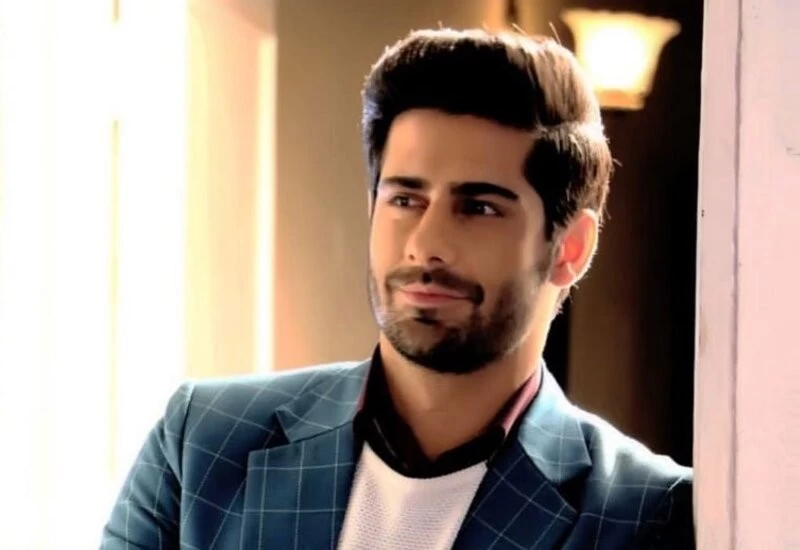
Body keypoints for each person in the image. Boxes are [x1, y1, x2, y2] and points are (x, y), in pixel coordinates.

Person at [102, 28, 694, 549]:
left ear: (570, 248)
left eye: (480, 207)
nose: (425, 244)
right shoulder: (202, 445)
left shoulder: (641, 513)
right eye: (406, 199)